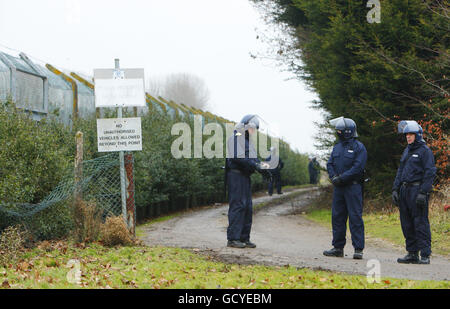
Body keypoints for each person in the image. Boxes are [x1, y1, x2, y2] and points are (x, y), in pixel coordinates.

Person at [392, 120, 436, 264]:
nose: (408, 137)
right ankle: (412, 253)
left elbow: (430, 172)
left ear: (417, 135)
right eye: (406, 135)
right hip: (405, 190)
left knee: (420, 222)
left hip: (417, 190)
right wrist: (395, 189)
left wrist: (423, 192)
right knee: (406, 222)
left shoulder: (425, 151)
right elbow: (400, 171)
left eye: (411, 134)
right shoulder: (407, 151)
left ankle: (425, 255)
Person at [324, 117, 367, 260]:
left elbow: (358, 168)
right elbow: (329, 164)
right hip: (339, 189)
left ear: (347, 131)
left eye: (340, 131)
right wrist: (333, 177)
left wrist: (342, 178)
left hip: (353, 187)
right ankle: (337, 247)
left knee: (355, 217)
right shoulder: (337, 147)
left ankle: (358, 249)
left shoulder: (359, 147)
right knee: (337, 217)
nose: (338, 133)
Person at [225, 114, 270, 248]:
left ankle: (244, 237)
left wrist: (261, 166)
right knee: (238, 206)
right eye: (251, 128)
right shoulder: (235, 139)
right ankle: (233, 238)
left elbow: (252, 158)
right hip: (236, 176)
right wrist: (254, 165)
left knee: (247, 207)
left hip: (245, 177)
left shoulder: (247, 142)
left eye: (253, 129)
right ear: (244, 127)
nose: (252, 131)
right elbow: (238, 157)